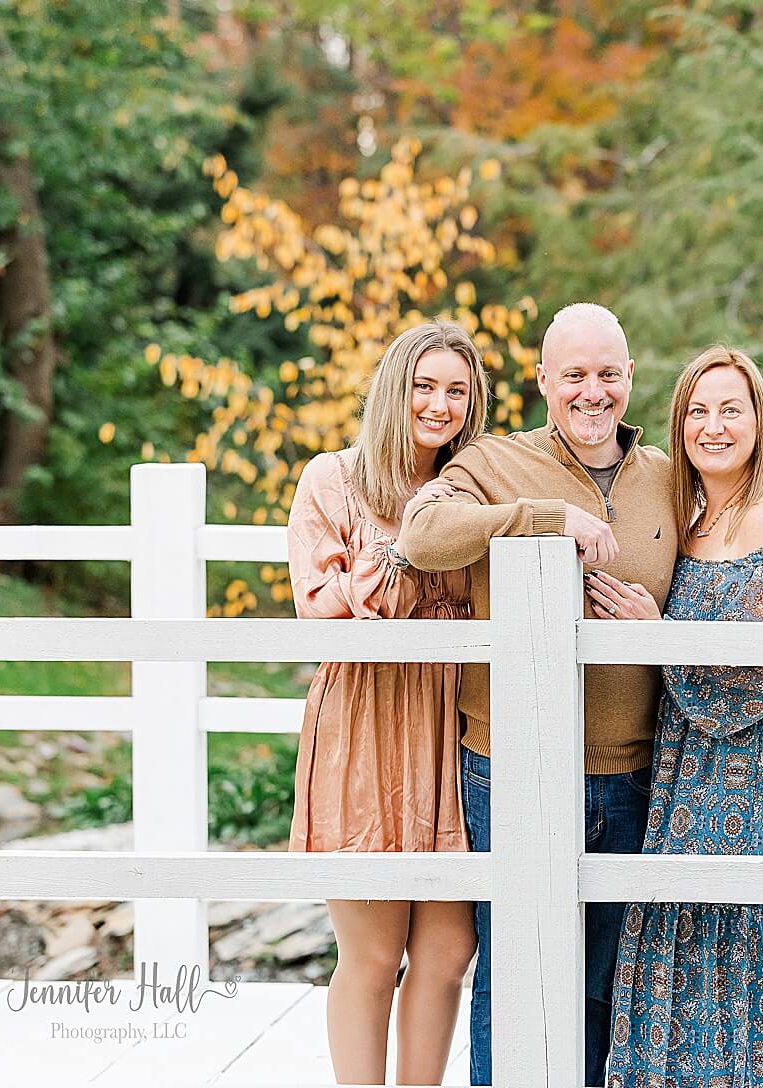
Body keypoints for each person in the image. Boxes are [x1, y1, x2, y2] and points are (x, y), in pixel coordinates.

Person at [397, 302, 679, 1086]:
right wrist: (549, 519)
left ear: (630, 379)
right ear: (544, 380)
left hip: (634, 773)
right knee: (513, 980)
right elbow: (420, 539)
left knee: (604, 986)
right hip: (510, 766)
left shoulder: (666, 475)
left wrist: (660, 624)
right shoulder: (495, 462)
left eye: (609, 375)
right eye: (576, 376)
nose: (593, 393)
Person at [587, 345, 763, 1088]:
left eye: (730, 409)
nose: (713, 426)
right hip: (681, 768)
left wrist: (654, 633)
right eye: (697, 411)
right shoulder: (690, 521)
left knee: (742, 939)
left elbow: (756, 676)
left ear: (759, 421)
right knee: (680, 937)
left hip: (753, 765)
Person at [286, 320, 487, 1086]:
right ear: (394, 390)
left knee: (446, 950)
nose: (439, 405)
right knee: (372, 954)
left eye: (457, 391)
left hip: (453, 721)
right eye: (424, 386)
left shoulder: (472, 485)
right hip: (364, 720)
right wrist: (402, 545)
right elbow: (318, 608)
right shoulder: (332, 479)